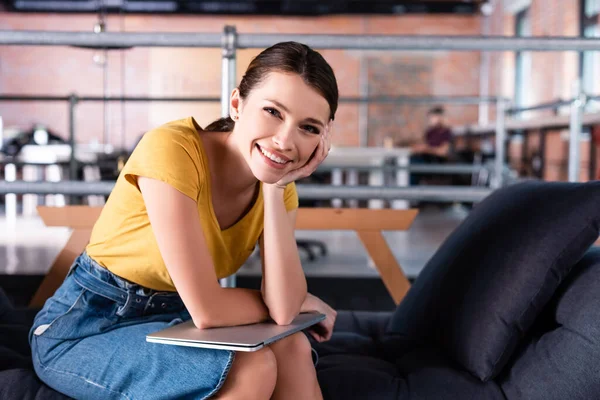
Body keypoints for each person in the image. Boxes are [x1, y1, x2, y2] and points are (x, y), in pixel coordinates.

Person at [29, 42, 338, 400]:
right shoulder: (172, 149)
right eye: (273, 111)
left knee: (293, 348)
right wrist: (296, 301)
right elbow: (207, 310)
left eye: (309, 128)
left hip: (173, 321)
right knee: (253, 367)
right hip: (89, 326)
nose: (285, 140)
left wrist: (273, 187)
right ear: (237, 104)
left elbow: (283, 310)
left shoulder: (280, 188)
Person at [409, 106, 453, 185]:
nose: (430, 119)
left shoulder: (446, 132)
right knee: (409, 161)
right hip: (425, 158)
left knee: (413, 164)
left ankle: (410, 190)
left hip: (437, 162)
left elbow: (443, 152)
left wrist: (426, 149)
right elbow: (423, 144)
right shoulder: (430, 132)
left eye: (432, 117)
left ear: (440, 117)